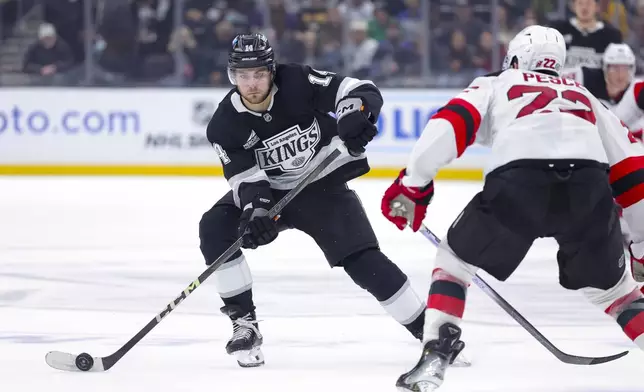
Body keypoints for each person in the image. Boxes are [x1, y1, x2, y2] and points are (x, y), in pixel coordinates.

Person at [380, 25, 644, 391]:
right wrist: (641, 245)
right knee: (620, 294)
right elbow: (633, 170)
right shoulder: (583, 95)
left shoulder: (496, 83)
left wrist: (413, 184)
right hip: (589, 189)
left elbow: (450, 125)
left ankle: (434, 359)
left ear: (515, 59)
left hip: (520, 183)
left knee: (454, 265)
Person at [199, 33, 426, 368]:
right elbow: (246, 179)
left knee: (364, 262)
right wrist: (257, 212)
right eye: (243, 76)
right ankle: (244, 323)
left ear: (272, 71)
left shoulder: (296, 80)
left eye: (259, 74)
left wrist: (352, 114)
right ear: (232, 76)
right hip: (273, 191)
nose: (251, 84)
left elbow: (359, 90)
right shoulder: (223, 124)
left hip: (321, 186)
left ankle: (432, 334)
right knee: (215, 227)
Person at [562, 43, 644, 141]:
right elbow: (552, 80)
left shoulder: (638, 91)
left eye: (625, 68)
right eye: (615, 68)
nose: (621, 74)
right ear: (605, 67)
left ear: (633, 69)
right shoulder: (584, 77)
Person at [549, 0, 622, 68]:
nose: (584, 7)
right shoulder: (559, 30)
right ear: (573, 6)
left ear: (597, 7)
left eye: (588, 3)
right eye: (580, 3)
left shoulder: (611, 35)